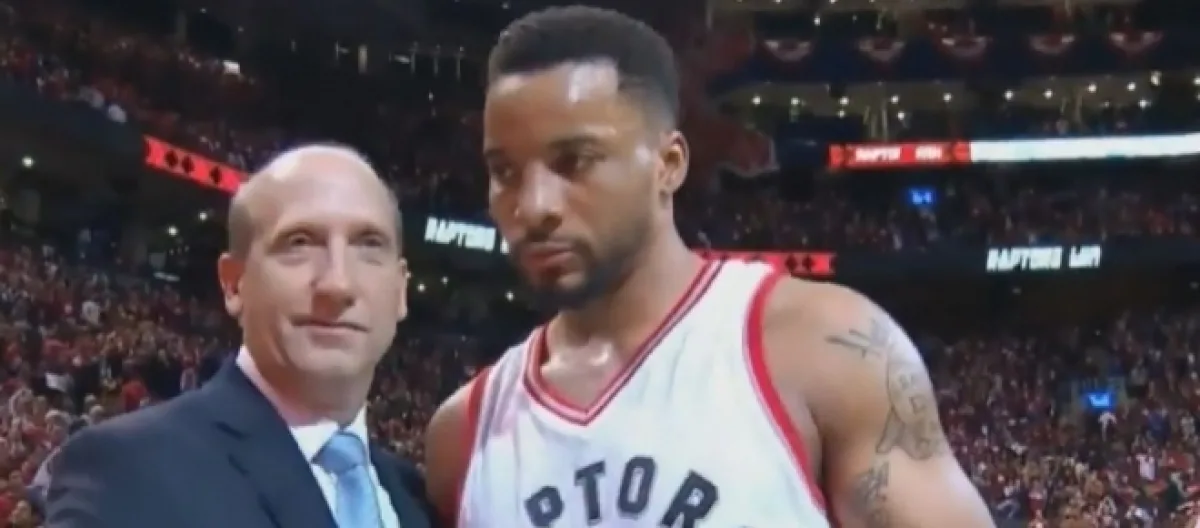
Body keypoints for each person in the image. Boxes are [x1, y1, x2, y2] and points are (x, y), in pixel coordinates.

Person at [424, 6, 995, 528]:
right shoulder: (463, 435)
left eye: (574, 162)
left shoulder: (825, 346)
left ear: (669, 165)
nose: (534, 205)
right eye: (504, 173)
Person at [47, 145, 431, 528]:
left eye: (369, 245)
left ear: (400, 291)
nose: (338, 284)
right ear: (233, 283)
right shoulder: (128, 468)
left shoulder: (416, 498)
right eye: (299, 243)